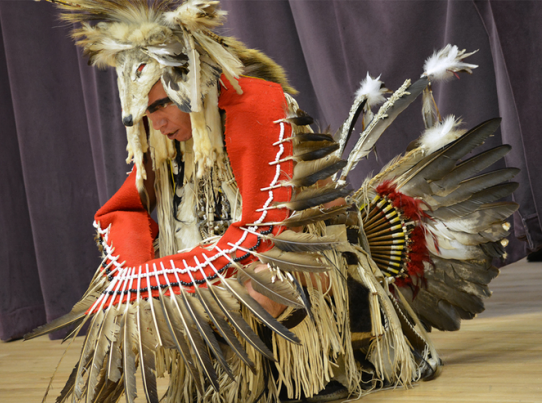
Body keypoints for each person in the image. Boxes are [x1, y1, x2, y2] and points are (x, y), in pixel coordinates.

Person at [28, 1, 517, 403]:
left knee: (263, 278)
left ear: (191, 86)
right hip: (234, 263)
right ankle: (237, 377)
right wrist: (133, 278)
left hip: (309, 265)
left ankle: (317, 368)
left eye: (159, 105)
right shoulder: (168, 142)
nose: (152, 122)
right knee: (124, 303)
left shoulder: (256, 106)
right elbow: (120, 212)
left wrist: (155, 280)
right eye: (140, 113)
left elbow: (261, 231)